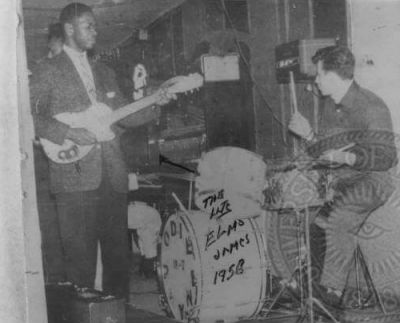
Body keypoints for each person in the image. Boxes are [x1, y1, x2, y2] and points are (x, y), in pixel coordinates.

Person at [30, 2, 174, 299]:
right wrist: (69, 132)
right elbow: (30, 117)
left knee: (118, 261)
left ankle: (117, 315)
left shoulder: (105, 72)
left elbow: (124, 115)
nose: (95, 31)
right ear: (69, 29)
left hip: (112, 174)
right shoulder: (48, 70)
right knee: (80, 264)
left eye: (95, 25)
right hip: (74, 176)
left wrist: (155, 103)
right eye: (88, 25)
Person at [289, 45, 398, 304]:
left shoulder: (371, 106)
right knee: (316, 225)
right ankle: (313, 286)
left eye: (319, 75)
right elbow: (327, 152)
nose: (315, 80)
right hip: (346, 179)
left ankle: (333, 291)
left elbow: (387, 158)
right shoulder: (331, 106)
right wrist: (308, 135)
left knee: (340, 217)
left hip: (374, 180)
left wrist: (347, 157)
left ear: (334, 76)